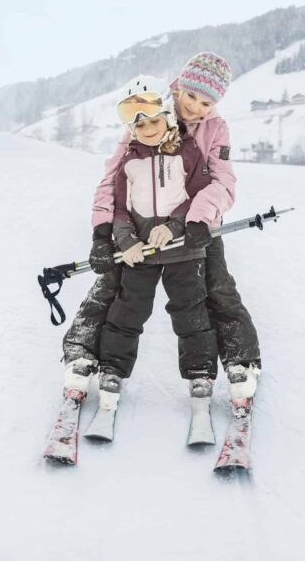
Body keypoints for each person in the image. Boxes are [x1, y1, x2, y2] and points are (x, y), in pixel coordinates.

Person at [63, 53, 261, 403]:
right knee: (112, 281)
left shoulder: (216, 129)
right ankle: (82, 351)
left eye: (206, 102)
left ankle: (240, 359)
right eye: (191, 96)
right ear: (179, 87)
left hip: (197, 224)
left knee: (216, 284)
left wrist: (198, 218)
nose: (196, 108)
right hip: (141, 225)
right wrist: (101, 232)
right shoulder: (150, 113)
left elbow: (223, 182)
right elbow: (113, 180)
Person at [82, 75, 220, 412]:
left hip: (184, 250)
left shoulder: (189, 151)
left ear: (168, 117)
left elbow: (201, 194)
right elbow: (117, 204)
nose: (148, 130)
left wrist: (175, 227)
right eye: (140, 126)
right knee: (128, 310)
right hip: (139, 253)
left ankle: (199, 372)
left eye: (154, 121)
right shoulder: (129, 159)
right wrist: (125, 240)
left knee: (191, 311)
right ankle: (113, 369)